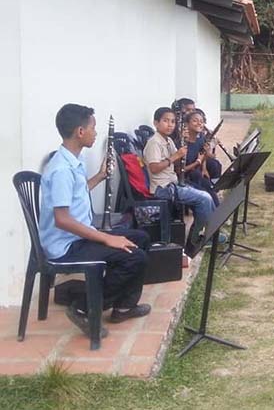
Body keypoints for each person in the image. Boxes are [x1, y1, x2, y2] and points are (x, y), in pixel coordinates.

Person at [40, 104, 151, 337]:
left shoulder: (73, 160)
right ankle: (84, 307)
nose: (96, 132)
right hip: (67, 245)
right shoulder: (61, 170)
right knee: (134, 257)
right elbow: (62, 220)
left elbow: (76, 194)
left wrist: (100, 177)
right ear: (80, 132)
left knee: (141, 238)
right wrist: (106, 238)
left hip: (79, 235)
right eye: (93, 127)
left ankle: (123, 306)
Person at [144, 107, 216, 237]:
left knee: (206, 195)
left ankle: (209, 231)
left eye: (173, 121)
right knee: (204, 199)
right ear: (156, 123)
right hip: (162, 188)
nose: (170, 125)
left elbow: (177, 164)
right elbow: (154, 168)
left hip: (173, 183)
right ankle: (197, 237)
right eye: (166, 121)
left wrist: (185, 145)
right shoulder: (154, 143)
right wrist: (176, 156)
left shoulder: (168, 140)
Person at [183, 110, 223, 204]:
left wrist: (204, 169)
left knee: (211, 192)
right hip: (185, 178)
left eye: (201, 121)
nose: (199, 123)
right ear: (187, 124)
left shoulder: (200, 140)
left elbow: (202, 156)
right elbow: (181, 170)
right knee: (207, 194)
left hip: (197, 175)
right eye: (195, 121)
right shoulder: (182, 144)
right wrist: (197, 162)